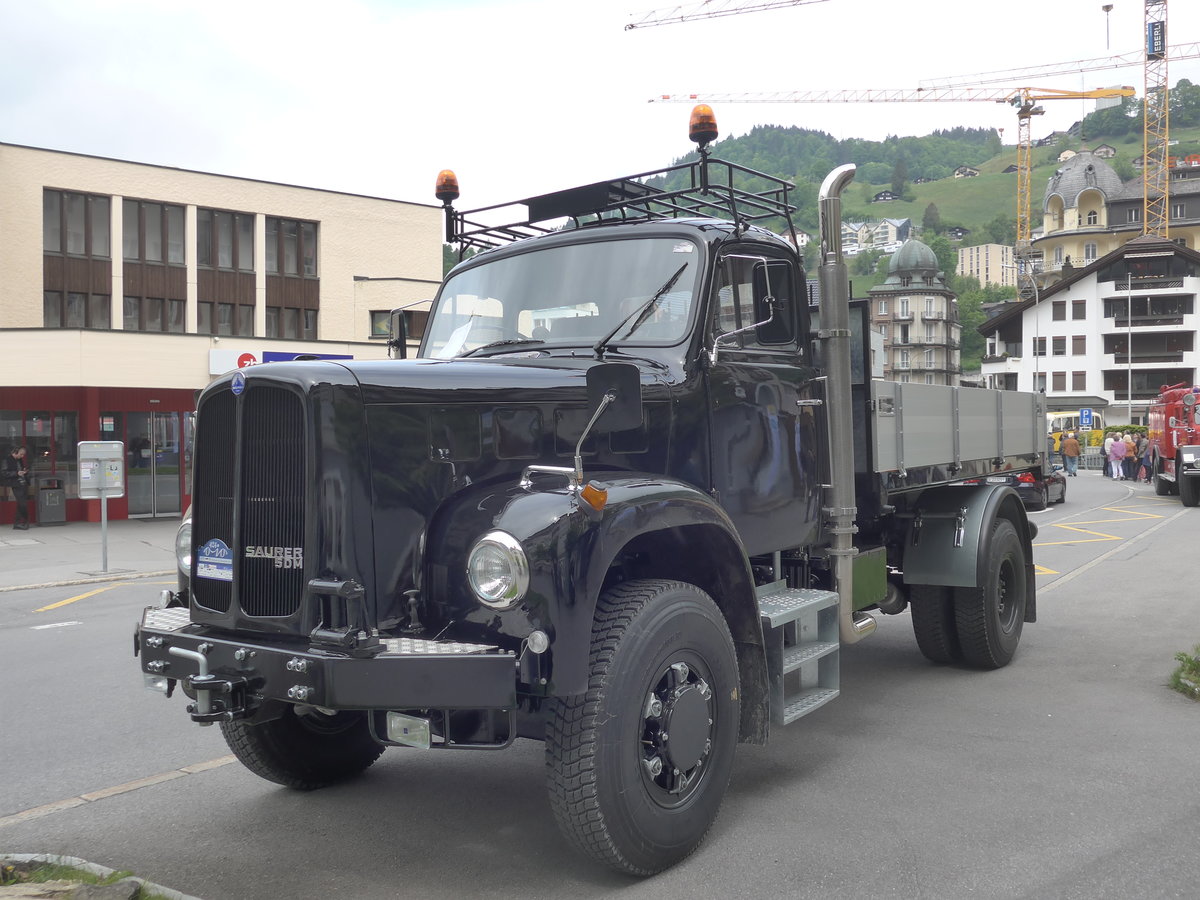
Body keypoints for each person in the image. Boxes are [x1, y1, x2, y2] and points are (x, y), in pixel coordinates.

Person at [3, 445, 31, 529]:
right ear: (15, 452)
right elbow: (4, 473)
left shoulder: (19, 460)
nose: (22, 456)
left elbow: (20, 469)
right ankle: (25, 520)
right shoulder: (7, 460)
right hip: (16, 484)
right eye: (21, 454)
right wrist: (16, 473)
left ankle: (17, 523)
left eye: (23, 455)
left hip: (23, 483)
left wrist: (24, 471)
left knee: (21, 503)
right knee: (22, 504)